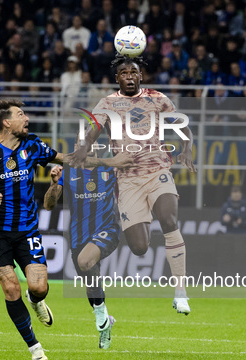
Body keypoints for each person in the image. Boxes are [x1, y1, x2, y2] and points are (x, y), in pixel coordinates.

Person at [70, 54, 196, 315]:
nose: (129, 77)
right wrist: (83, 149)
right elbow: (92, 133)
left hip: (157, 169)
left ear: (141, 76)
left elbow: (182, 126)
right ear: (117, 78)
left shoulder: (158, 99)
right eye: (124, 73)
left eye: (134, 72)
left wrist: (187, 150)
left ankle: (181, 292)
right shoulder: (107, 104)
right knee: (139, 247)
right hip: (127, 180)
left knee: (169, 219)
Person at [0, 99, 67, 360]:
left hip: (27, 230)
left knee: (40, 288)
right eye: (21, 115)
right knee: (11, 288)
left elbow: (63, 158)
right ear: (6, 122)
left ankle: (36, 301)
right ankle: (35, 347)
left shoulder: (33, 145)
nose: (27, 118)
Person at [43, 149, 131, 349]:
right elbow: (49, 205)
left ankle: (100, 314)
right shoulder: (67, 171)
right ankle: (106, 322)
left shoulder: (111, 169)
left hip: (107, 229)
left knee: (85, 261)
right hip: (78, 237)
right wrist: (54, 183)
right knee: (91, 285)